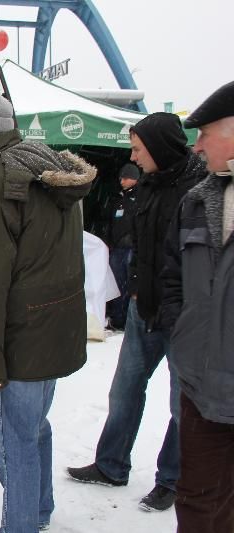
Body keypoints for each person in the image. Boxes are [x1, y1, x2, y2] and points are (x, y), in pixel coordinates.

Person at [0, 89, 95, 533]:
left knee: (13, 444)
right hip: (51, 329)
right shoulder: (44, 166)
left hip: (18, 342)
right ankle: (39, 511)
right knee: (34, 429)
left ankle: (22, 525)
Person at [67, 112, 207, 512]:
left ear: (160, 149)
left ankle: (173, 480)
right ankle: (111, 465)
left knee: (182, 405)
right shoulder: (147, 184)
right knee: (124, 390)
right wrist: (132, 291)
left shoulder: (200, 188)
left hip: (184, 319)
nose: (133, 157)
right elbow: (141, 247)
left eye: (137, 149)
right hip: (143, 310)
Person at [161, 80, 234, 533]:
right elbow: (171, 278)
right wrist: (181, 331)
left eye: (206, 133)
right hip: (201, 388)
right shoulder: (197, 200)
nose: (198, 144)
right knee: (199, 503)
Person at [106, 163, 140, 329]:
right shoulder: (117, 198)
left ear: (134, 178)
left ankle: (126, 319)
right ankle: (116, 318)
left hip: (132, 249)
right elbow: (111, 223)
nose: (122, 181)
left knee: (129, 284)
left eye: (125, 178)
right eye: (121, 178)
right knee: (116, 283)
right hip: (117, 248)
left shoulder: (141, 197)